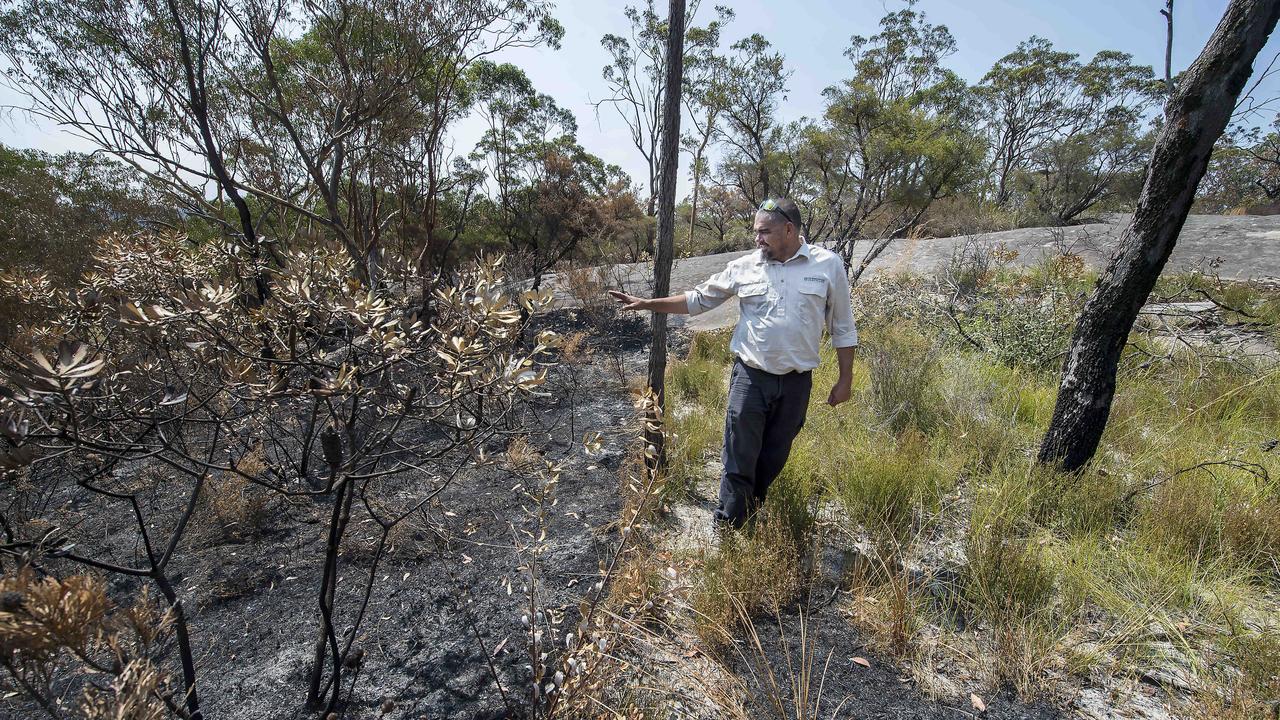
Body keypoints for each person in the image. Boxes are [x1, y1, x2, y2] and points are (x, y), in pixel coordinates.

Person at [609, 197, 858, 529]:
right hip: (751, 378)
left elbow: (842, 326)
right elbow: (699, 300)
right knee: (739, 455)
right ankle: (728, 526)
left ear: (788, 229)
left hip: (797, 382)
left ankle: (750, 513)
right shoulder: (745, 266)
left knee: (774, 456)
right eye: (756, 232)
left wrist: (845, 378)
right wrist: (647, 303)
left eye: (764, 232)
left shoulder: (828, 265)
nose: (757, 239)